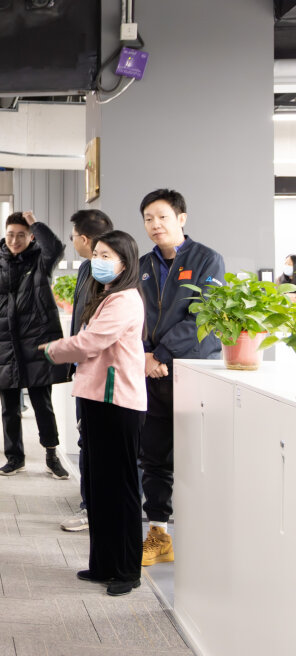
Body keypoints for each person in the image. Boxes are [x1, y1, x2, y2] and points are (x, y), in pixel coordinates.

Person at [41, 230, 147, 596]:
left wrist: (51, 350)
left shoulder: (124, 300)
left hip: (118, 402)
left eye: (106, 256)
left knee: (121, 489)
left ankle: (126, 570)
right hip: (96, 397)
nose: (97, 261)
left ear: (125, 263)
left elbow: (91, 343)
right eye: (96, 254)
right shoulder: (106, 295)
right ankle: (103, 563)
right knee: (99, 486)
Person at [136, 189, 225, 567]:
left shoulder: (207, 259)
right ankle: (158, 534)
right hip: (152, 374)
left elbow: (204, 315)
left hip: (191, 372)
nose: (155, 225)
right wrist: (144, 354)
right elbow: (135, 314)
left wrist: (160, 353)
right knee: (153, 456)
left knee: (195, 458)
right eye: (148, 219)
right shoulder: (142, 264)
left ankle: (206, 543)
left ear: (181, 219)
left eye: (162, 217)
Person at [0, 211, 71, 479]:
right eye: (10, 235)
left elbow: (55, 247)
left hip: (36, 340)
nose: (15, 240)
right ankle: (14, 458)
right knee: (9, 406)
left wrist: (35, 223)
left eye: (21, 235)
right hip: (3, 341)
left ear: (31, 237)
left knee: (42, 403)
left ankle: (51, 455)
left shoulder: (41, 259)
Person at [61, 209, 114, 531]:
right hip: (84, 368)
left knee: (104, 442)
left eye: (73, 238)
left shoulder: (119, 273)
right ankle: (89, 505)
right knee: (87, 438)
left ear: (83, 238)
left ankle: (98, 510)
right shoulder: (85, 269)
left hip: (108, 373)